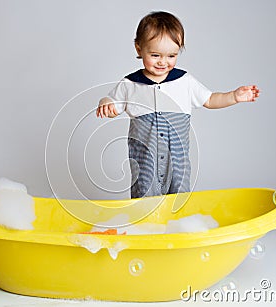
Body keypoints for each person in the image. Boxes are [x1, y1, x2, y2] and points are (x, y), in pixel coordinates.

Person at [96, 11, 260, 199]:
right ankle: (146, 227)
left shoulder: (184, 81)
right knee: (144, 196)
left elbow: (210, 99)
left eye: (171, 56)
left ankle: (177, 226)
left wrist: (234, 96)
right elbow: (112, 106)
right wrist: (105, 103)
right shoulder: (130, 84)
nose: (163, 62)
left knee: (178, 196)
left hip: (177, 161)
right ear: (139, 48)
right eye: (155, 55)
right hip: (145, 161)